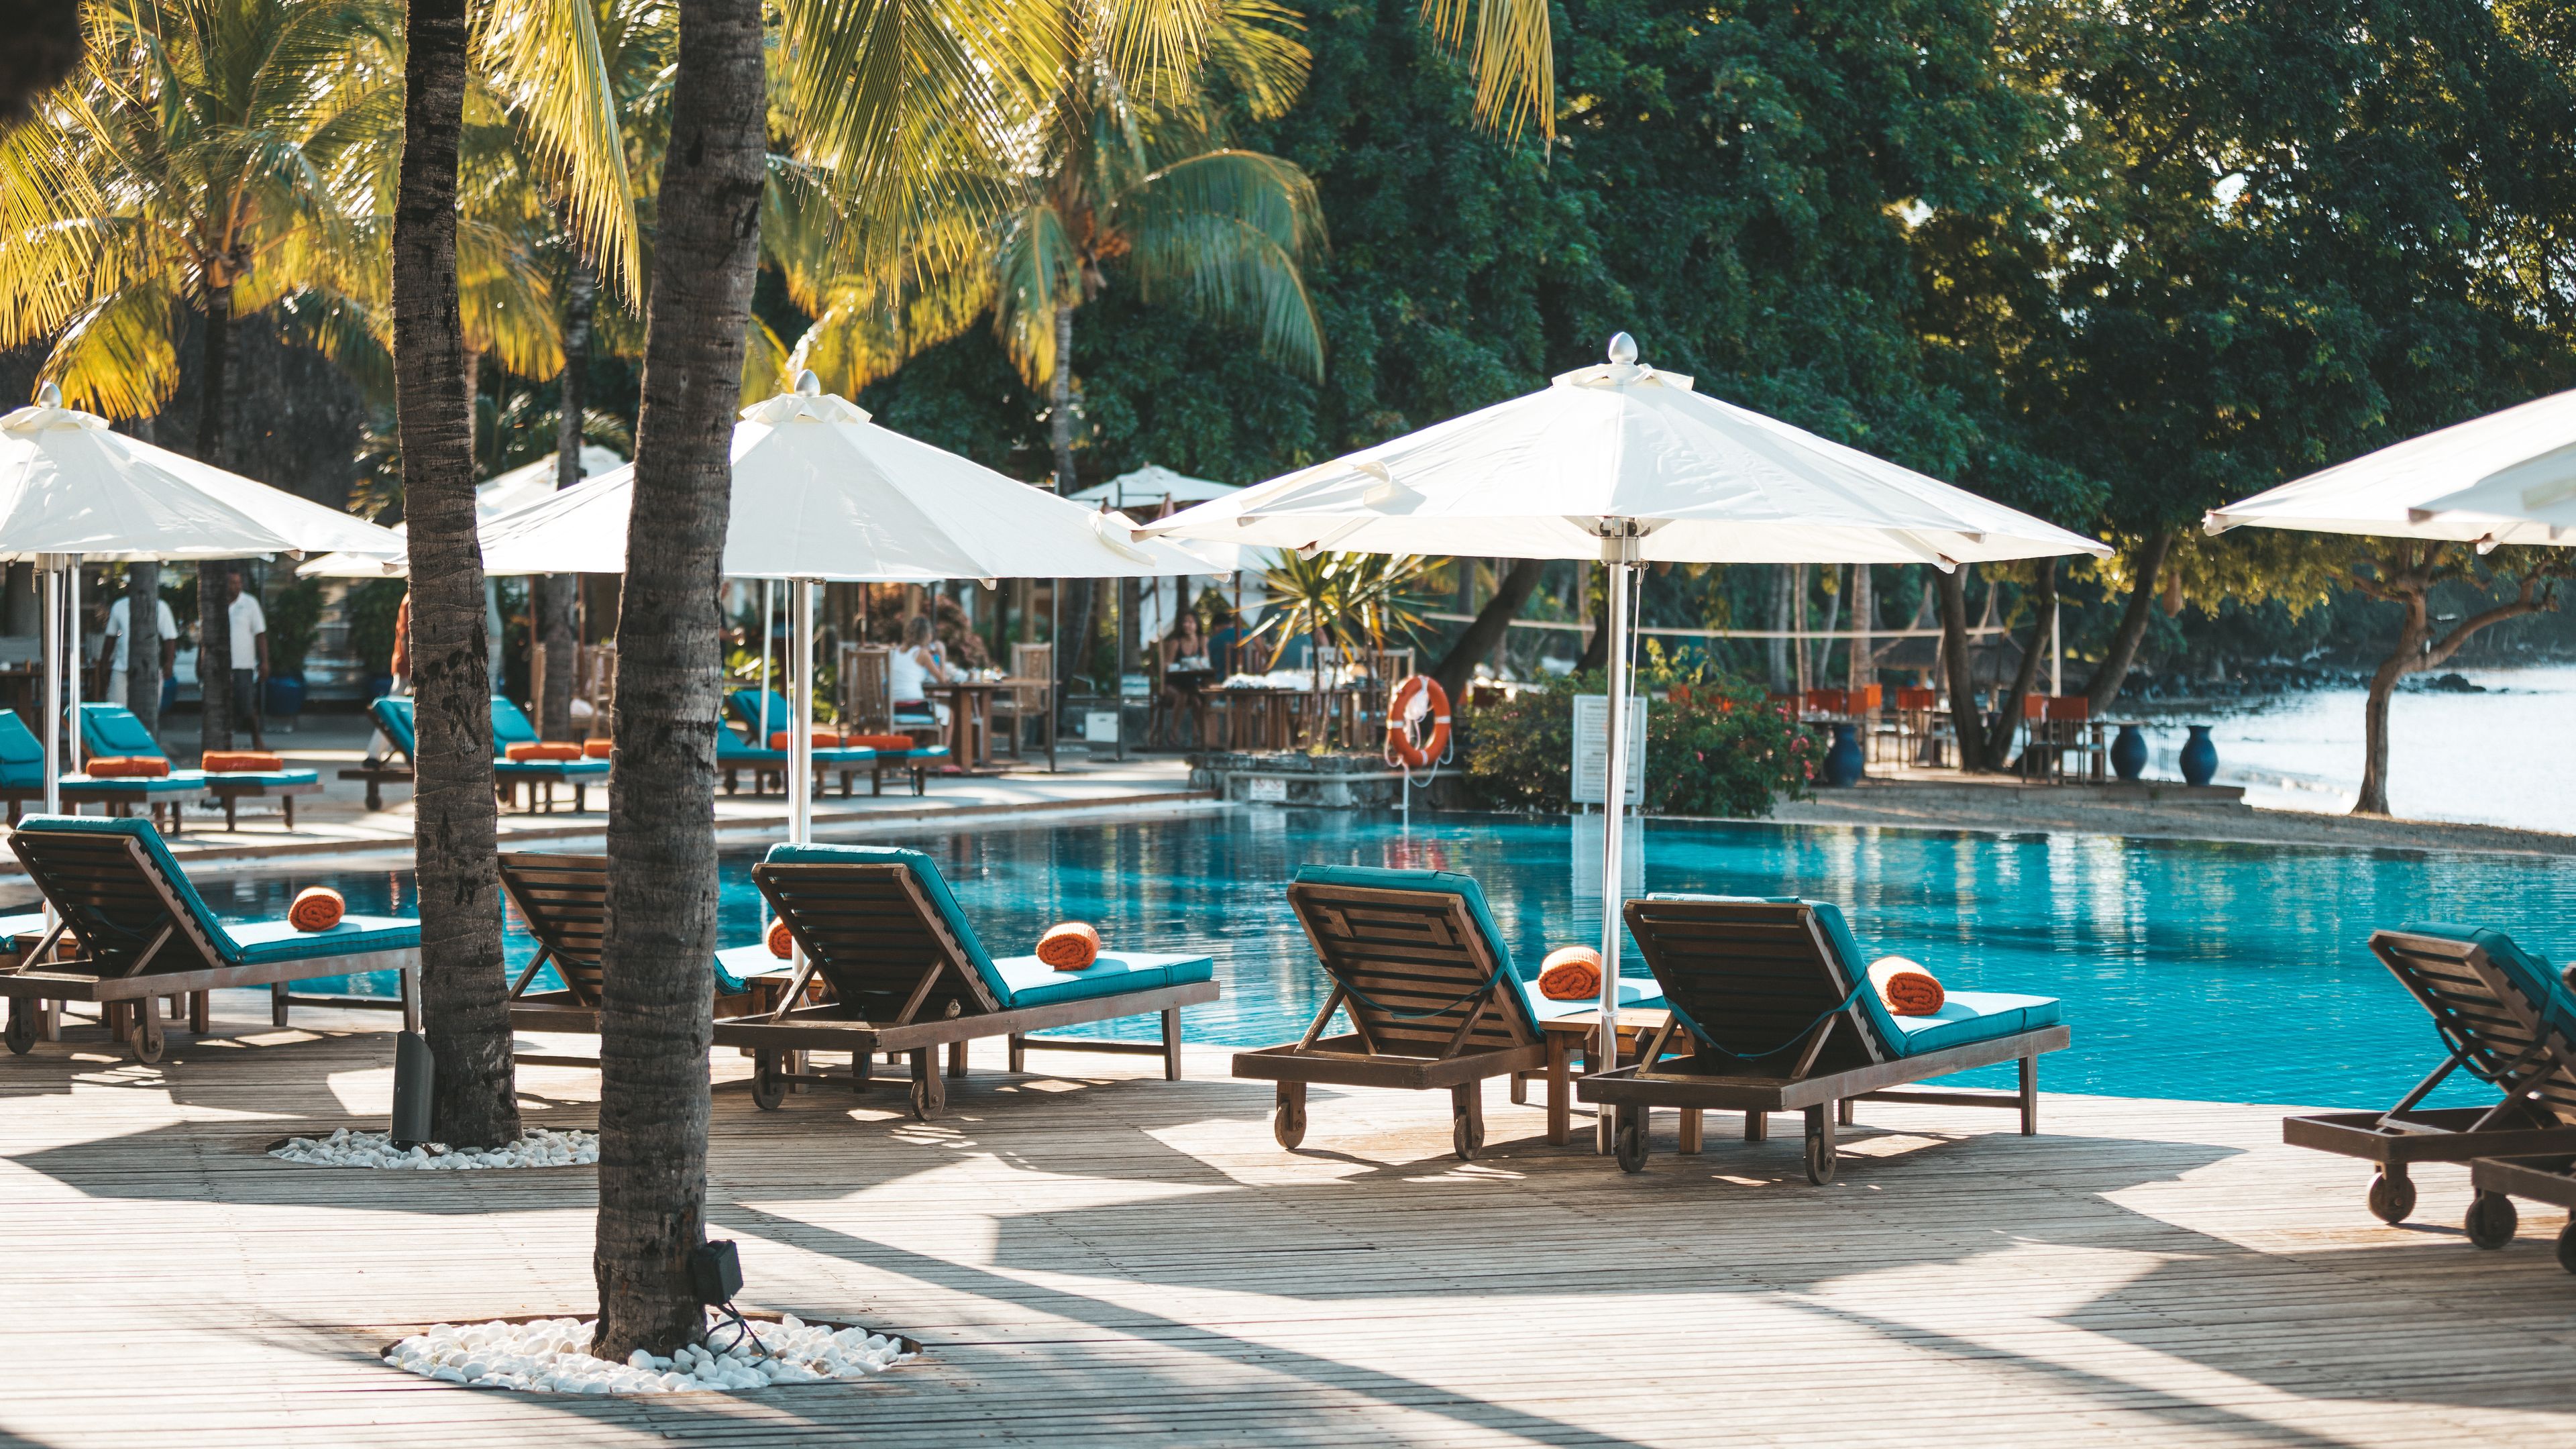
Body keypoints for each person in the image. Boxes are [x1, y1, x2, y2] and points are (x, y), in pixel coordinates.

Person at [101, 587, 178, 714]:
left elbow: (169, 638)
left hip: (150, 669)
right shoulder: (119, 606)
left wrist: (169, 664)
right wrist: (104, 663)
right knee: (116, 711)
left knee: (148, 713)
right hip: (122, 667)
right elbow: (111, 637)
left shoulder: (161, 606)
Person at [225, 570, 268, 749]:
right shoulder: (215, 603)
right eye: (232, 583)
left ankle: (256, 739)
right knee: (224, 706)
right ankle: (226, 742)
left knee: (247, 704)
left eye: (238, 582)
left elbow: (260, 634)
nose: (236, 586)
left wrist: (264, 661)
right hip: (222, 665)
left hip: (244, 664)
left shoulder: (249, 603)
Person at [889, 614, 953, 727]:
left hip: (893, 707)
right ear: (928, 635)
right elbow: (943, 680)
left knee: (934, 710)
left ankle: (923, 742)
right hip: (913, 706)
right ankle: (943, 745)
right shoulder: (922, 654)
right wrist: (942, 654)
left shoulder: (895, 652)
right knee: (949, 713)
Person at [1158, 611, 1210, 746]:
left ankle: (1202, 736)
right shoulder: (1176, 642)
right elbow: (1167, 665)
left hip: (1193, 683)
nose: (1187, 625)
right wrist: (1179, 666)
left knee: (1197, 701)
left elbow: (1206, 662)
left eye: (1191, 622)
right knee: (1183, 696)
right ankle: (1173, 733)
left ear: (1197, 624)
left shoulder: (1202, 640)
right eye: (1185, 622)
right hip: (1175, 683)